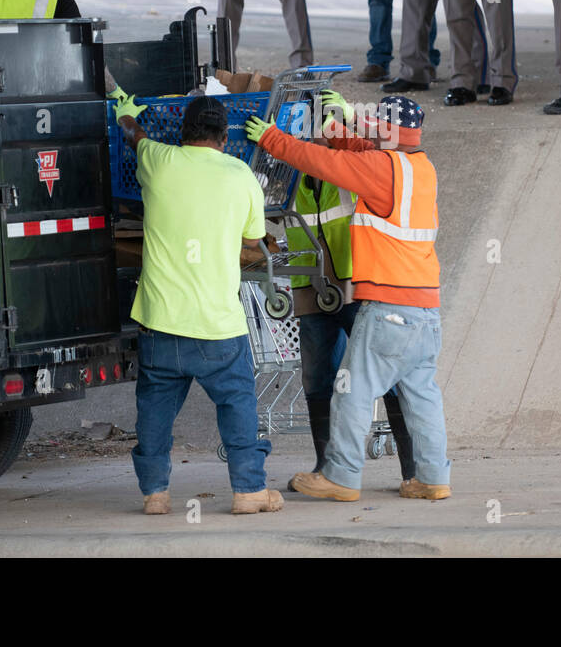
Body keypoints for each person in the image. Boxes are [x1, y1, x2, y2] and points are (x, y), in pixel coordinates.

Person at [244, 91, 450, 502]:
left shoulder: (382, 168)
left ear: (387, 132)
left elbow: (326, 163)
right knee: (421, 394)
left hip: (389, 306)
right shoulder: (418, 167)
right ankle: (431, 477)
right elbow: (356, 149)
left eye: (374, 123)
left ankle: (340, 476)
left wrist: (272, 139)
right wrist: (339, 128)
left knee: (350, 388)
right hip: (424, 307)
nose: (366, 127)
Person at [113, 94, 283, 516]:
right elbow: (251, 240)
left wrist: (126, 113)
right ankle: (248, 491)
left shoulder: (158, 160)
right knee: (238, 403)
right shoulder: (241, 173)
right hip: (217, 325)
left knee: (154, 409)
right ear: (225, 139)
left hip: (160, 322)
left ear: (183, 134)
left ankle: (155, 493)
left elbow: (135, 136)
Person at [285, 135, 416, 488]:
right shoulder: (288, 175)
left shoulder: (349, 167)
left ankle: (414, 471)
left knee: (386, 373)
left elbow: (375, 153)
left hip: (356, 283)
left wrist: (337, 134)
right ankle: (326, 468)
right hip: (309, 287)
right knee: (317, 379)